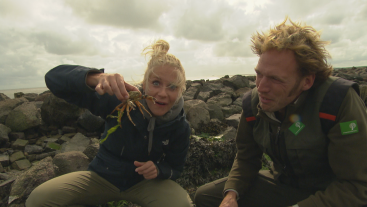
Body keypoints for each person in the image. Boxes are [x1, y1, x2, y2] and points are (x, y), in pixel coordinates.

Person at [194, 17, 367, 207]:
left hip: (331, 196)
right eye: (259, 74)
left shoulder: (337, 102)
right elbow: (246, 157)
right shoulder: (254, 104)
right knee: (206, 197)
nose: (261, 87)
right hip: (283, 186)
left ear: (307, 81)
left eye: (275, 79)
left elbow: (357, 187)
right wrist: (231, 194)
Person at [26, 39, 192, 207]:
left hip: (145, 183)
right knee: (38, 200)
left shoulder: (180, 126)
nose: (163, 93)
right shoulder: (118, 99)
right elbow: (53, 79)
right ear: (144, 84)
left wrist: (158, 169)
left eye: (172, 87)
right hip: (101, 177)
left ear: (180, 91)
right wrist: (96, 77)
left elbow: (175, 168)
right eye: (156, 83)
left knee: (182, 204)